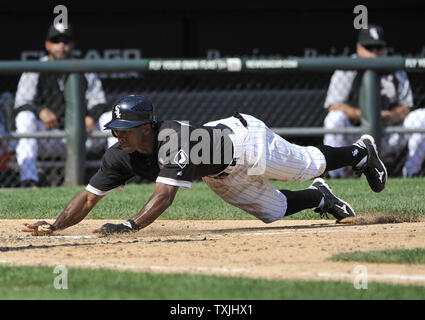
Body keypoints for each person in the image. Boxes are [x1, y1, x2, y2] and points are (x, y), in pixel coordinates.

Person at [22, 95, 387, 236]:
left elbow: (164, 196)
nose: (120, 136)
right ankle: (320, 199)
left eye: (127, 130)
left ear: (147, 127)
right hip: (218, 172)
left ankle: (360, 152)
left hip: (244, 143)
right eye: (116, 129)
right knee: (273, 211)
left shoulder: (173, 138)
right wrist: (54, 227)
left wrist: (129, 225)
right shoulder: (120, 154)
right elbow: (88, 199)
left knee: (309, 164)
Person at [14, 22, 110, 187]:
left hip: (82, 135)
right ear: (47, 45)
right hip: (48, 137)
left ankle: (114, 178)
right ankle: (28, 180)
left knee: (109, 118)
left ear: (72, 45)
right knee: (24, 118)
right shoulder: (36, 68)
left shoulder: (84, 68)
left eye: (65, 41)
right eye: (56, 41)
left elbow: (99, 101)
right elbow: (21, 103)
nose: (61, 45)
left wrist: (91, 117)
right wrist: (39, 111)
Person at [323, 24, 425, 178]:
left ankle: (411, 173)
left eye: (378, 48)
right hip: (355, 134)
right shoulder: (348, 67)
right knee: (334, 119)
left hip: (388, 134)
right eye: (369, 48)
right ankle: (336, 176)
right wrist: (364, 115)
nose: (374, 53)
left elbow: (406, 106)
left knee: (422, 117)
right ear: (358, 48)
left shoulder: (394, 66)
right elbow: (333, 106)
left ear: (384, 48)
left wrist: (391, 116)